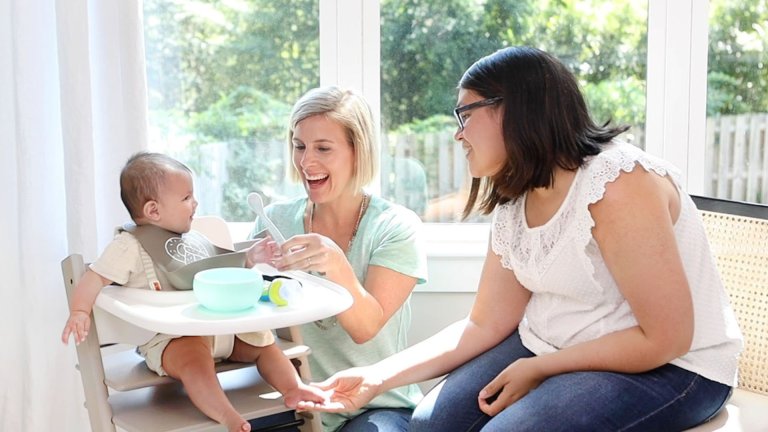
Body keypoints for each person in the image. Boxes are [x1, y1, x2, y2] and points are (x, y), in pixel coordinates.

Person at [295, 47, 744, 431]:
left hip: (675, 368)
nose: (458, 132)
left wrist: (540, 369)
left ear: (511, 109)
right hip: (555, 343)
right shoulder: (518, 193)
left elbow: (667, 337)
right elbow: (484, 324)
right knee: (430, 424)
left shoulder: (618, 183)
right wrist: (377, 377)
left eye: (464, 114)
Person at [61, 152, 327, 432]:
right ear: (154, 211)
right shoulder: (129, 246)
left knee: (265, 345)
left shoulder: (191, 239)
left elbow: (220, 266)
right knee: (194, 365)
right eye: (186, 198)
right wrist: (80, 310)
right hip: (171, 338)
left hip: (222, 330)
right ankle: (227, 415)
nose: (195, 203)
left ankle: (294, 388)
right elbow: (94, 277)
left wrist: (251, 257)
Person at [250, 86, 428, 431]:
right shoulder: (273, 221)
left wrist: (336, 264)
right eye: (299, 146)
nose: (306, 162)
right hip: (291, 401)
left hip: (376, 405)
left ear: (357, 152)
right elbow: (253, 325)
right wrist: (248, 272)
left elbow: (365, 329)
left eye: (323, 148)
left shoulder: (395, 227)